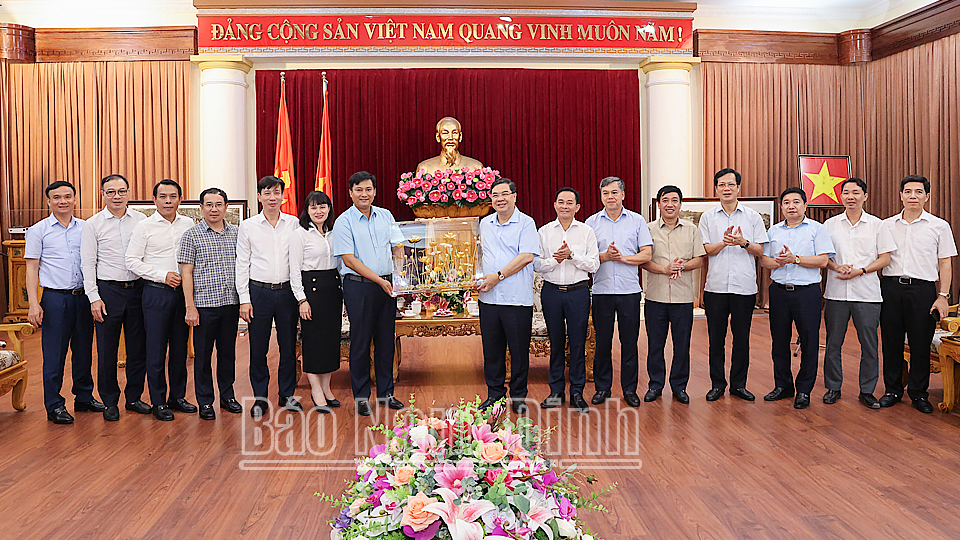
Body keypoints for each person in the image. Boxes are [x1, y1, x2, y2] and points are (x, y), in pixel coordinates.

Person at [26, 181, 104, 424]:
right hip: (55, 299)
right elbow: (31, 269)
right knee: (54, 354)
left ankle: (83, 397)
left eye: (68, 196)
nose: (63, 201)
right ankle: (54, 405)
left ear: (75, 199)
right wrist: (33, 304)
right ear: (48, 201)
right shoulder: (38, 230)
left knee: (83, 351)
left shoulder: (86, 228)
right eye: (57, 197)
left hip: (83, 297)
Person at [879, 175, 957, 414]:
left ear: (927, 196)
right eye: (908, 191)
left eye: (918, 192)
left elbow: (945, 263)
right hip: (890, 288)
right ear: (901, 195)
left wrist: (942, 295)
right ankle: (892, 390)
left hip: (923, 290)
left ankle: (919, 393)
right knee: (891, 342)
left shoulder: (939, 226)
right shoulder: (887, 225)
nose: (913, 196)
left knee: (920, 343)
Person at [332, 171, 404, 417]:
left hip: (388, 285)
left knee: (386, 341)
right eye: (359, 190)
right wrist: (379, 281)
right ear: (350, 192)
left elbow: (398, 247)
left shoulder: (386, 215)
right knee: (361, 343)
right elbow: (349, 260)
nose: (364, 194)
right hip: (359, 286)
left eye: (369, 189)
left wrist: (400, 275)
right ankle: (362, 397)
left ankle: (387, 393)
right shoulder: (343, 221)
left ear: (375, 191)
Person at [125, 179, 197, 421]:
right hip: (156, 292)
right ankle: (158, 401)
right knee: (155, 349)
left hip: (184, 294)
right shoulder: (144, 227)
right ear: (154, 200)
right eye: (163, 196)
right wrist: (162, 276)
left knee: (180, 348)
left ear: (180, 199)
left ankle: (177, 397)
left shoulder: (189, 224)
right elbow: (132, 261)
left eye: (173, 196)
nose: (168, 201)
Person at [822, 178, 895, 409]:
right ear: (840, 197)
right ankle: (833, 387)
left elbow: (885, 259)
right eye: (846, 193)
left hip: (867, 294)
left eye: (856, 192)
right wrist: (836, 267)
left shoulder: (878, 225)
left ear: (866, 196)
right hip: (836, 292)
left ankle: (867, 390)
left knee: (869, 345)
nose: (850, 196)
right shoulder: (829, 225)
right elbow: (825, 258)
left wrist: (860, 271)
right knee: (833, 343)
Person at [760, 187, 835, 409]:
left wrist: (795, 259)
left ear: (805, 205)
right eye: (786, 203)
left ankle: (804, 390)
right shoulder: (773, 231)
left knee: (810, 341)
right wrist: (780, 262)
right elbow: (765, 261)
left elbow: (822, 261)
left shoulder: (817, 230)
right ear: (781, 206)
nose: (791, 206)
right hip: (780, 291)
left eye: (796, 202)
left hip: (807, 292)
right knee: (779, 340)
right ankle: (783, 386)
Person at [80, 174, 147, 421]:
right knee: (107, 350)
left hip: (138, 290)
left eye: (121, 191)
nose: (116, 196)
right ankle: (109, 400)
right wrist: (94, 298)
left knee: (138, 348)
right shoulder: (93, 224)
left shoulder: (141, 220)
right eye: (111, 192)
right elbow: (87, 263)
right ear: (103, 194)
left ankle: (134, 397)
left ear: (128, 192)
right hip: (108, 291)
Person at [698, 168, 768, 402]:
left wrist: (742, 242)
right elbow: (706, 250)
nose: (726, 189)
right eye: (721, 185)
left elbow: (760, 250)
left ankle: (739, 384)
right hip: (716, 287)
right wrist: (724, 243)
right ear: (716, 189)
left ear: (739, 188)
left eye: (730, 185)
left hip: (744, 288)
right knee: (715, 339)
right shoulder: (708, 217)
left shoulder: (752, 217)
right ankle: (717, 384)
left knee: (742, 338)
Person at [236, 176, 301, 418]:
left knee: (288, 346)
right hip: (259, 292)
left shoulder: (294, 223)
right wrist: (244, 298)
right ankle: (260, 398)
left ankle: (287, 394)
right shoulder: (248, 226)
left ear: (283, 196)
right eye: (267, 193)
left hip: (287, 293)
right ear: (259, 196)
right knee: (258, 348)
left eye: (276, 192)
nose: (272, 197)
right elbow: (242, 264)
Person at [585, 176, 653, 408]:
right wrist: (605, 256)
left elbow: (647, 254)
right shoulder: (591, 222)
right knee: (602, 342)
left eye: (614, 192)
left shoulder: (637, 221)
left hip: (629, 291)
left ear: (623, 194)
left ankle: (630, 389)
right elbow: (587, 258)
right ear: (601, 196)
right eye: (606, 193)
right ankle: (602, 388)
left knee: (629, 342)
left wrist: (623, 258)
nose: (610, 197)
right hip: (602, 290)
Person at [178, 187, 242, 421]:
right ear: (201, 207)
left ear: (226, 207)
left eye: (218, 204)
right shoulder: (191, 235)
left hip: (230, 303)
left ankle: (227, 396)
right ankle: (205, 401)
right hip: (204, 306)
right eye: (209, 204)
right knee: (203, 356)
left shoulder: (237, 234)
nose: (214, 209)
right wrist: (190, 306)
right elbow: (187, 273)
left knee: (228, 354)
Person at [533, 187, 599, 413]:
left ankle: (577, 392)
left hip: (578, 292)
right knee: (556, 343)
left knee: (578, 343)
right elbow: (537, 265)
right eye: (560, 201)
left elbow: (594, 265)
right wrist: (555, 259)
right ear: (554, 205)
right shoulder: (543, 232)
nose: (565, 206)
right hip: (551, 292)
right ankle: (556, 391)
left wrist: (572, 256)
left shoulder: (587, 232)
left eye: (569, 202)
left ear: (577, 207)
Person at [477, 178, 539, 414]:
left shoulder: (526, 223)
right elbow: (477, 254)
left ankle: (519, 397)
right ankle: (495, 395)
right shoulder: (484, 223)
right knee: (491, 350)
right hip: (489, 299)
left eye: (505, 194)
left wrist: (498, 276)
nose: (500, 198)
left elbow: (526, 257)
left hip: (516, 299)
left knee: (518, 350)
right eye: (495, 195)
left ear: (514, 196)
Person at [640, 185, 706, 405]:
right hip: (655, 297)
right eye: (665, 200)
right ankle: (655, 385)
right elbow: (644, 261)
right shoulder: (647, 229)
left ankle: (679, 387)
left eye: (674, 200)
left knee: (682, 345)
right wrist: (664, 269)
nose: (670, 204)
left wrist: (683, 266)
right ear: (658, 204)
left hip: (683, 298)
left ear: (680, 204)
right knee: (655, 345)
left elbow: (699, 259)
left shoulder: (691, 229)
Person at [291, 190, 342, 413]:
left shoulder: (334, 232)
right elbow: (294, 270)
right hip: (310, 291)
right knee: (313, 342)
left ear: (329, 208)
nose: (318, 211)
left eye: (322, 206)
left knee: (331, 341)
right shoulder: (300, 234)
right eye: (313, 207)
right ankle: (315, 390)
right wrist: (302, 299)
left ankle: (327, 387)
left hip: (332, 289)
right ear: (307, 211)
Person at [415, 117, 484, 174]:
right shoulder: (424, 169)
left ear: (460, 137)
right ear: (438, 137)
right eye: (445, 133)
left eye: (454, 133)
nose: (450, 138)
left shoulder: (476, 167)